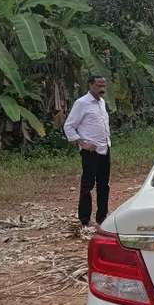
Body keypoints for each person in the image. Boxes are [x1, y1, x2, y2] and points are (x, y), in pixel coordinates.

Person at [64, 75, 111, 229]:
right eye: (98, 85)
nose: (102, 88)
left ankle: (102, 216)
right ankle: (85, 219)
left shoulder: (102, 102)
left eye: (104, 85)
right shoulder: (82, 103)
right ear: (90, 85)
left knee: (104, 184)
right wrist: (81, 143)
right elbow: (69, 126)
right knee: (88, 186)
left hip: (105, 148)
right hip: (90, 151)